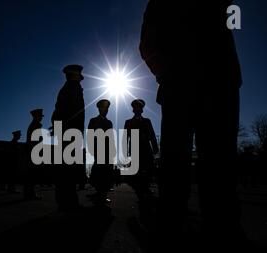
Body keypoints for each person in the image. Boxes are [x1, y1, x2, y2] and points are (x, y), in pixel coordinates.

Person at [139, 1, 244, 240]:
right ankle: (173, 224)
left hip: (219, 81)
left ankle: (221, 228)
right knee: (178, 156)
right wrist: (167, 73)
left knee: (219, 159)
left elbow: (226, 30)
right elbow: (148, 41)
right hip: (184, 83)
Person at [51, 64, 85, 211]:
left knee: (66, 167)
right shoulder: (72, 88)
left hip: (68, 131)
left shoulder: (69, 88)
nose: (80, 78)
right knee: (68, 168)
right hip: (70, 132)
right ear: (73, 75)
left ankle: (65, 201)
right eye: (78, 75)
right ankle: (68, 202)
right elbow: (62, 111)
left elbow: (57, 112)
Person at [124, 99, 159, 204]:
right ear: (133, 110)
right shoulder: (129, 122)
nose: (138, 110)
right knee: (137, 171)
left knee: (148, 169)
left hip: (146, 149)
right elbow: (126, 137)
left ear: (142, 110)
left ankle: (146, 188)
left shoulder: (147, 121)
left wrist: (155, 147)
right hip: (135, 149)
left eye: (140, 108)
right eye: (136, 108)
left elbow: (152, 135)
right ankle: (140, 191)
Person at [88, 99, 115, 205]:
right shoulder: (93, 120)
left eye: (107, 108)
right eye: (103, 108)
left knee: (107, 171)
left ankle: (102, 194)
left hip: (108, 150)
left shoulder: (109, 122)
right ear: (99, 109)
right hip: (98, 149)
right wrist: (92, 149)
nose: (105, 110)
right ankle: (99, 194)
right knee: (99, 170)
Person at [24, 109, 44, 200]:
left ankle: (29, 193)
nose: (41, 118)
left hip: (33, 150)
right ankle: (30, 193)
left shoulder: (34, 125)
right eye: (40, 116)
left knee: (31, 173)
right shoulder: (35, 126)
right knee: (31, 173)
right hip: (33, 150)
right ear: (36, 116)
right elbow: (35, 140)